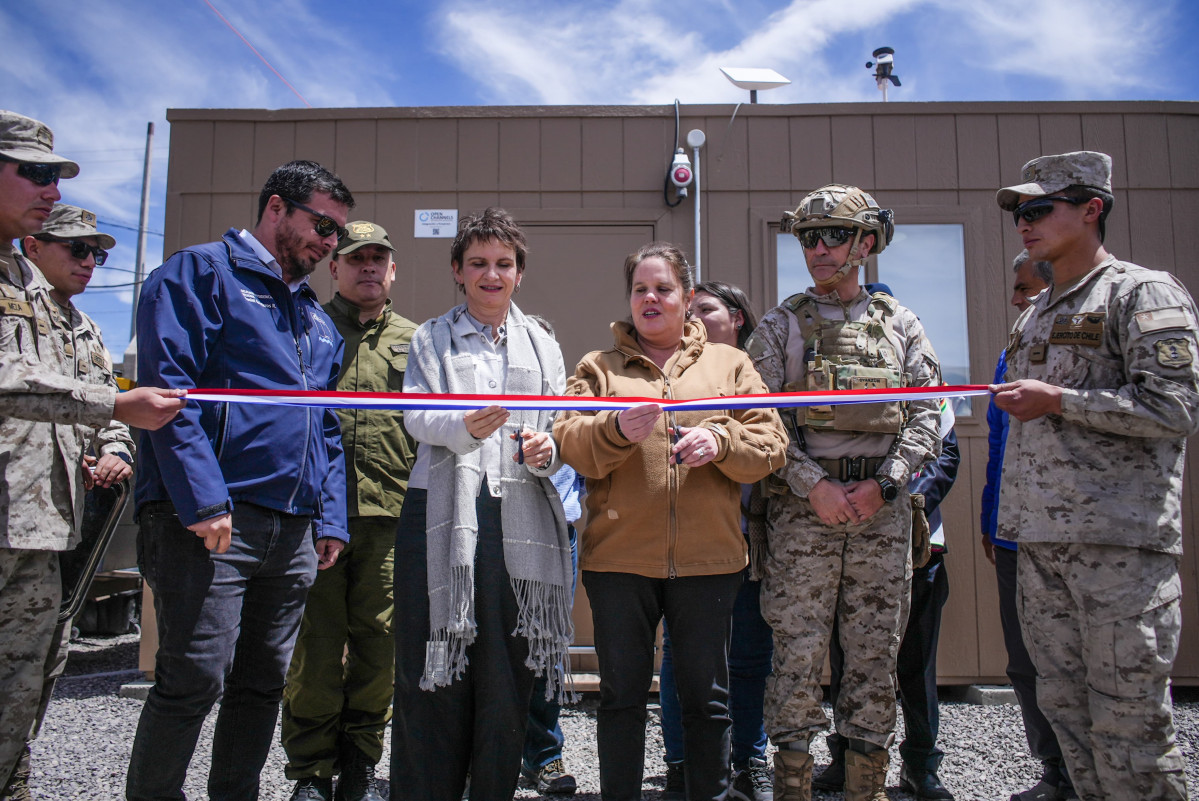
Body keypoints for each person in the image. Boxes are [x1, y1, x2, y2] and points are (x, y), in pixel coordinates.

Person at [127, 160, 355, 801]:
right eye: (321, 224)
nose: (329, 242)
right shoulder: (200, 274)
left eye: (336, 232)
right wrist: (202, 499)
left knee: (262, 683)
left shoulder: (314, 317)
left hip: (293, 531)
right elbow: (170, 396)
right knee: (194, 678)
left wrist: (329, 517)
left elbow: (325, 426)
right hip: (210, 522)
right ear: (277, 209)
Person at [991, 151, 1198, 800]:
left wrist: (1058, 401)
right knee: (1069, 723)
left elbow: (1174, 407)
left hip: (1118, 551)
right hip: (1042, 549)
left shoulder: (1140, 293)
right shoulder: (1035, 311)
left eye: (1038, 209)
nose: (1023, 224)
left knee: (1129, 729)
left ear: (1090, 209)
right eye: (1019, 213)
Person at [555, 244, 787, 801]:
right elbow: (568, 440)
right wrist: (614, 431)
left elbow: (771, 443)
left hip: (710, 562)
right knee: (622, 698)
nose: (650, 299)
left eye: (663, 289)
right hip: (618, 563)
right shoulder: (598, 368)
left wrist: (722, 439)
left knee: (707, 699)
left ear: (686, 298)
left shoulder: (730, 365)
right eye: (640, 289)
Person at [0, 110, 184, 800]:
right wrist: (113, 409)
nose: (49, 189)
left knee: (26, 686)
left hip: (43, 527)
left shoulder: (35, 295)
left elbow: (95, 394)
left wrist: (112, 435)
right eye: (36, 174)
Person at [746, 185, 941, 801]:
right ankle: (793, 788)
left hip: (881, 515)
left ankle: (866, 788)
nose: (818, 249)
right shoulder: (780, 326)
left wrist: (886, 485)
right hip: (805, 517)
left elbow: (929, 413)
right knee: (797, 655)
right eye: (808, 237)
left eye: (833, 236)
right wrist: (814, 486)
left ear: (865, 243)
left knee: (875, 657)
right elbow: (757, 421)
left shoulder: (901, 324)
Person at [391, 207, 574, 801]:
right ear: (457, 271)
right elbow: (416, 415)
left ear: (520, 273)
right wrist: (464, 426)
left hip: (518, 520)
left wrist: (548, 450)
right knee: (432, 670)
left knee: (506, 674)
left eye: (503, 263)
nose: (491, 275)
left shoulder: (545, 346)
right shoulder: (429, 338)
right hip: (442, 516)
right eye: (478, 264)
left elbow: (559, 433)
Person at [281, 221, 417, 801]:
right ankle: (311, 770)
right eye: (355, 258)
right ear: (333, 267)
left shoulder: (421, 339)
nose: (367, 268)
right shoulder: (303, 326)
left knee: (379, 644)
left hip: (392, 514)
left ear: (393, 270)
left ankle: (361, 759)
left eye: (377, 259)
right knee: (315, 644)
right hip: (317, 516)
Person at [11, 202, 137, 794]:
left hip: (61, 526)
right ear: (34, 246)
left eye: (99, 253)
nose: (91, 262)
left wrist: (117, 450)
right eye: (77, 249)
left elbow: (105, 412)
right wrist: (111, 412)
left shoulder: (86, 331)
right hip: (11, 516)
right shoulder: (14, 300)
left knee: (35, 672)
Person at [819, 359, 960, 801]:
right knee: (846, 657)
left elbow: (946, 456)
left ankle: (921, 763)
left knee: (915, 664)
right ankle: (845, 755)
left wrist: (897, 500)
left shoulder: (928, 388)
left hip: (918, 547)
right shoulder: (841, 385)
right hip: (850, 541)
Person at [657, 280, 776, 801]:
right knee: (681, 661)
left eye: (706, 309)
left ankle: (750, 758)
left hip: (753, 537)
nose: (695, 319)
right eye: (691, 310)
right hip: (692, 542)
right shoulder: (675, 373)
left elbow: (773, 444)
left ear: (738, 319)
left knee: (749, 655)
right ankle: (683, 761)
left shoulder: (756, 374)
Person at [981, 252, 1074, 801]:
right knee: (1026, 663)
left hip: (1067, 532)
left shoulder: (1074, 364)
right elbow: (998, 446)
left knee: (1077, 662)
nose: (1017, 300)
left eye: (1026, 288)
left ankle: (1093, 775)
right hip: (1013, 532)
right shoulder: (1008, 360)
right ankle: (1055, 773)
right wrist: (993, 520)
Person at [520, 314, 584, 797]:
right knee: (488, 647)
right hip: (495, 531)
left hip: (555, 535)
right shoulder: (488, 401)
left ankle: (544, 756)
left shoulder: (568, 404)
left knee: (544, 648)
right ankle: (487, 755)